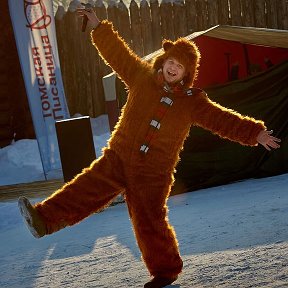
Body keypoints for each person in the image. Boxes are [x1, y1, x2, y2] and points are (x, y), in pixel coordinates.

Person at [18, 7, 281, 288]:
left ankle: (165, 271)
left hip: (153, 174)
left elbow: (221, 119)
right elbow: (118, 55)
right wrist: (98, 28)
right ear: (164, 60)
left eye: (179, 67)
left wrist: (255, 133)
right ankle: (43, 219)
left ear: (185, 74)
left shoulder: (193, 101)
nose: (173, 68)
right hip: (118, 157)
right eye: (171, 61)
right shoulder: (141, 78)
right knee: (84, 189)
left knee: (149, 222)